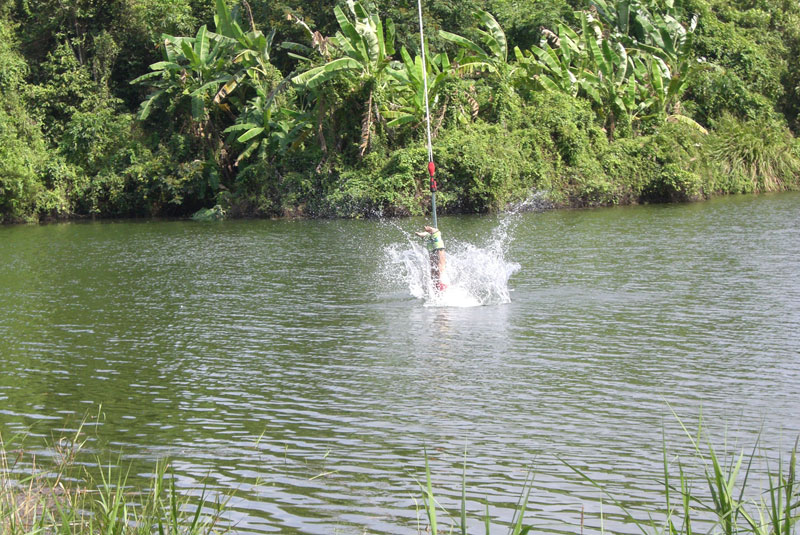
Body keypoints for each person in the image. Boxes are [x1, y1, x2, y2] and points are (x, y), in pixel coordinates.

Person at [415, 225, 447, 292]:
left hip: (439, 288)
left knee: (435, 269)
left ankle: (431, 237)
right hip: (440, 289)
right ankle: (432, 236)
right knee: (437, 269)